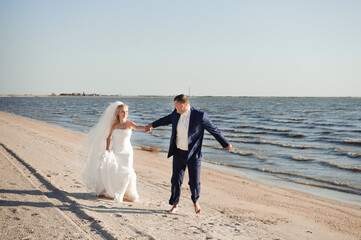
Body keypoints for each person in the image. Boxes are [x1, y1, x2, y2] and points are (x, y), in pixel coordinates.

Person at [146, 94, 232, 214]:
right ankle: (175, 205)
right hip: (178, 152)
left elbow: (214, 130)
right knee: (176, 180)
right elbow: (165, 120)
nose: (174, 107)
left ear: (182, 105)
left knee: (194, 181)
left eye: (175, 105)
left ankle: (195, 202)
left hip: (193, 154)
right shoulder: (176, 114)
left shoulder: (200, 116)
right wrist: (151, 125)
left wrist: (226, 144)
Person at [83, 101, 146, 203]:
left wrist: (146, 128)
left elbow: (137, 127)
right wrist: (107, 148)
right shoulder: (114, 125)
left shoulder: (129, 123)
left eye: (126, 111)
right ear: (118, 113)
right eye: (122, 112)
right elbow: (108, 137)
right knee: (114, 170)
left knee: (127, 172)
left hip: (127, 153)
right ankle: (114, 190)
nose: (124, 113)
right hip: (116, 150)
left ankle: (126, 192)